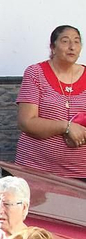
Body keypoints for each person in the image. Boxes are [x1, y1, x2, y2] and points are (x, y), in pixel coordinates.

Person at [14, 24, 86, 180]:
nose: (72, 47)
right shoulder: (35, 73)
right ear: (53, 47)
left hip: (81, 173)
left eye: (77, 41)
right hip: (37, 169)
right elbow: (26, 122)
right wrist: (65, 127)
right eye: (65, 41)